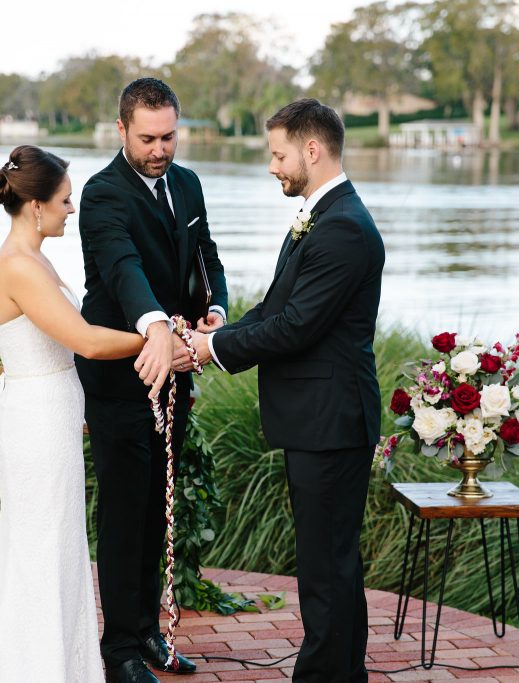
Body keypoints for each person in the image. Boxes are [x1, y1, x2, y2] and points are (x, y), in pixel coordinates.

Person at [185, 98, 384, 683]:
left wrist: (209, 352)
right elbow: (277, 307)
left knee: (326, 568)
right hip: (320, 420)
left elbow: (297, 328)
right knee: (331, 565)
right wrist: (223, 330)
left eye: (279, 154)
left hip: (331, 420)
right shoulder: (321, 217)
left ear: (312, 149)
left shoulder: (343, 227)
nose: (273, 166)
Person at [0, 145, 146, 683]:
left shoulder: (36, 259)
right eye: (65, 200)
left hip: (50, 416)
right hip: (37, 423)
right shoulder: (19, 267)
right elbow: (87, 342)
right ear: (35, 206)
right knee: (41, 548)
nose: (70, 209)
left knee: (56, 544)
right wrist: (157, 337)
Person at [77, 77, 228, 683]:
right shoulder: (101, 194)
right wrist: (158, 327)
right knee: (123, 509)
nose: (160, 149)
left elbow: (205, 256)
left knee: (159, 507)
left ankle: (149, 634)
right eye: (148, 138)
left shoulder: (188, 183)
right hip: (119, 372)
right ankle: (118, 652)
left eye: (169, 136)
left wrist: (215, 314)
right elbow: (122, 267)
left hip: (177, 374)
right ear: (121, 130)